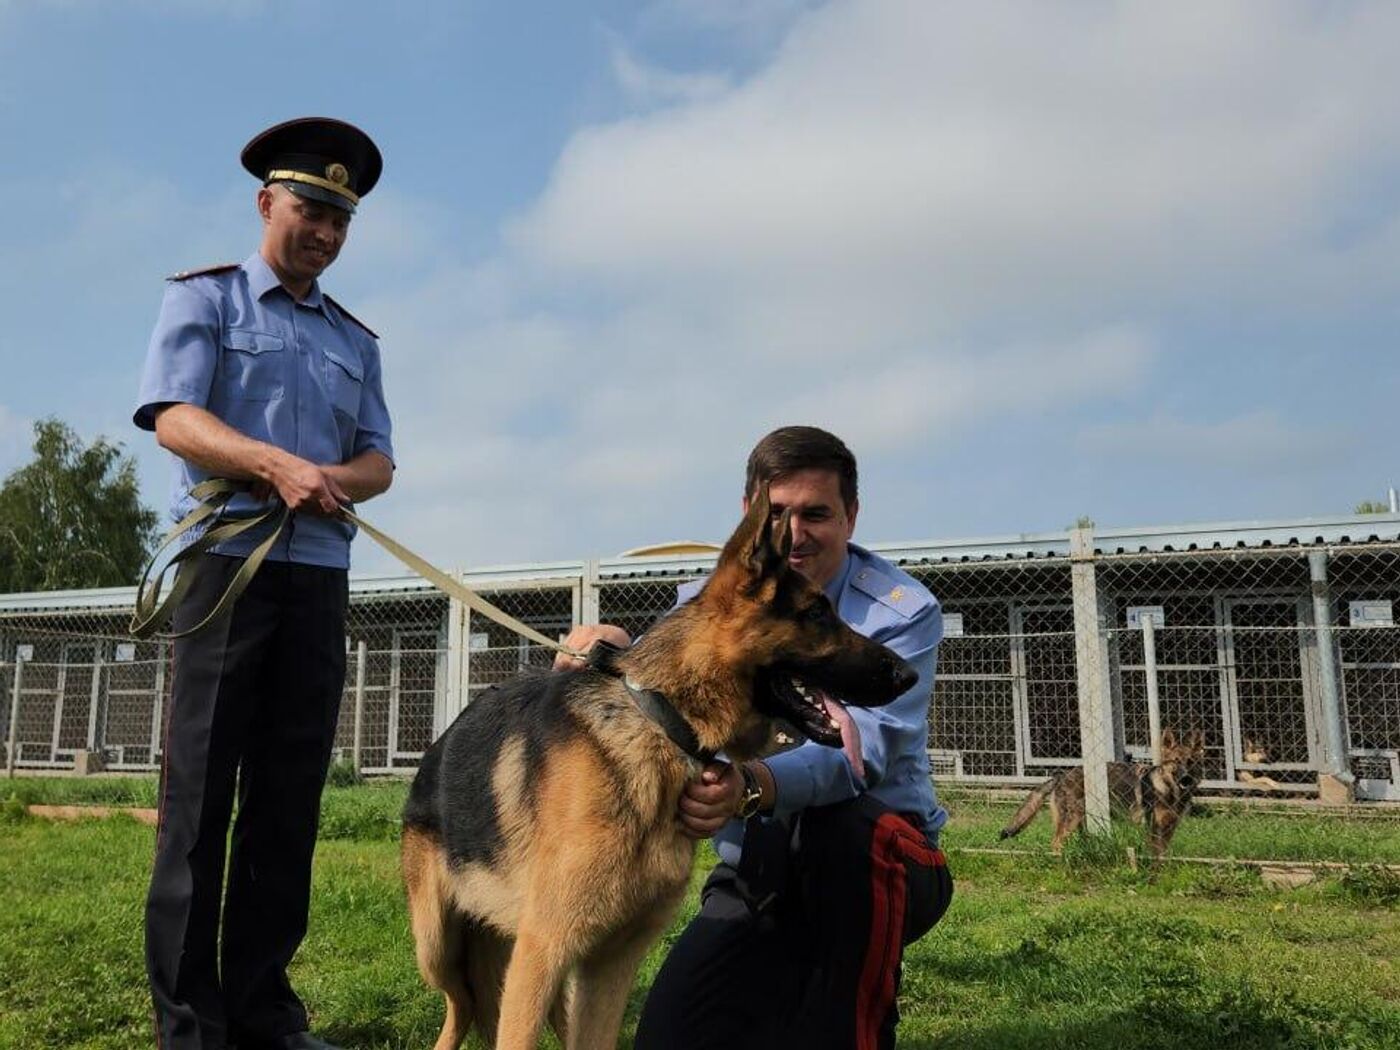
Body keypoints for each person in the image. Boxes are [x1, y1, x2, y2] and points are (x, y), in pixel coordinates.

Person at [559, 425, 952, 1049]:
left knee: (844, 845)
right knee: (669, 1036)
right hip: (758, 870)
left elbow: (862, 753)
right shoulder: (705, 604)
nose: (796, 533)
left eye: (818, 513)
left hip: (879, 861)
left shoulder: (902, 613)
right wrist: (618, 655)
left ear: (851, 516)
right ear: (750, 517)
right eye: (779, 513)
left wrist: (752, 785)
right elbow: (672, 697)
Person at [134, 117, 394, 1050]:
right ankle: (190, 1026)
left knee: (289, 801)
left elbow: (378, 463)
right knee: (200, 801)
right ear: (268, 204)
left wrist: (334, 480)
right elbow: (171, 417)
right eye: (312, 208)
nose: (325, 230)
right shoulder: (205, 299)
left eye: (342, 219)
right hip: (223, 571)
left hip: (318, 581)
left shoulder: (356, 341)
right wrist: (275, 464)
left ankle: (263, 1012)